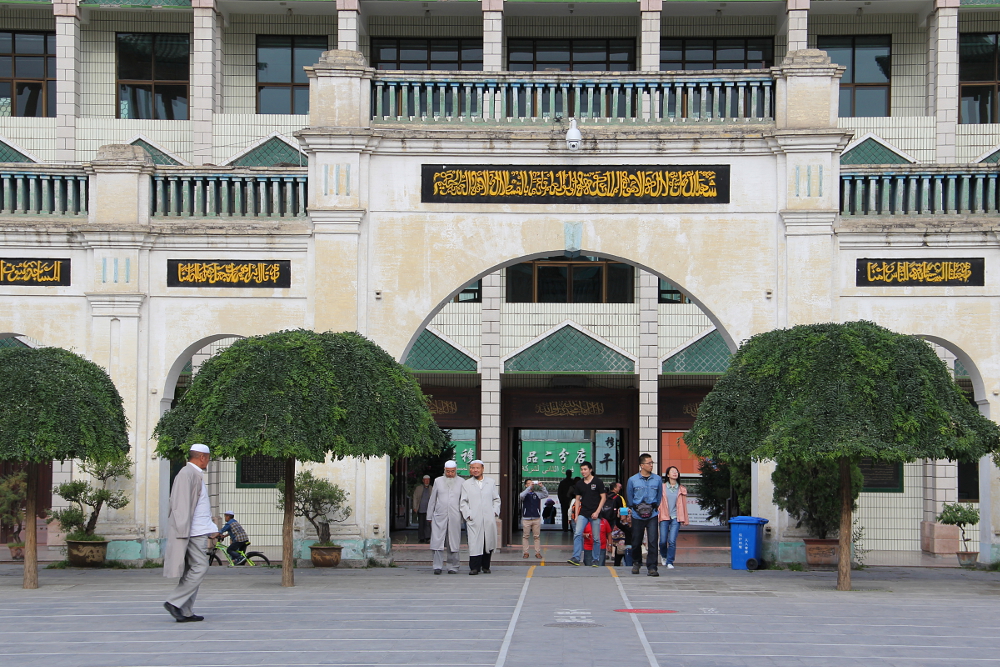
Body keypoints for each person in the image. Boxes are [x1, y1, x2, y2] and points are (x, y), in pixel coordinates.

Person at [163, 444, 221, 622]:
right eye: (208, 458)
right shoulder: (186, 474)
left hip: (198, 530)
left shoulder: (195, 474)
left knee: (191, 570)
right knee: (200, 567)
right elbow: (180, 505)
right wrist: (182, 531)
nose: (208, 462)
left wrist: (211, 529)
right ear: (202, 457)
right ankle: (174, 602)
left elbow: (200, 508)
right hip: (193, 532)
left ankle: (185, 610)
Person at [460, 459, 501, 575]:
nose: (475, 470)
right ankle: (474, 567)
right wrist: (468, 514)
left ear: (482, 469)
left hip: (488, 518)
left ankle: (486, 566)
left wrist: (494, 512)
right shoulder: (466, 484)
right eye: (473, 468)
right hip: (474, 518)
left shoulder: (491, 482)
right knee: (474, 543)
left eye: (477, 468)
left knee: (487, 541)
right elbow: (463, 502)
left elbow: (496, 499)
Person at [626, 453, 662, 577]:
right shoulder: (632, 480)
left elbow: (659, 497)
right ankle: (636, 562)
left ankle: (652, 567)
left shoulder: (657, 479)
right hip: (637, 514)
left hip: (652, 514)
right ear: (642, 465)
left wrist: (653, 507)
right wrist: (635, 509)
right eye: (649, 463)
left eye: (652, 463)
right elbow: (630, 497)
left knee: (652, 540)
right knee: (636, 540)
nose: (651, 465)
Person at [426, 461, 464, 575]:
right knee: (437, 541)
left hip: (455, 516)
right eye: (448, 471)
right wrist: (429, 515)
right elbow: (433, 499)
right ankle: (437, 566)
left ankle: (453, 566)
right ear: (444, 470)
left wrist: (464, 516)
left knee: (453, 541)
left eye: (452, 471)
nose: (450, 474)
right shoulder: (438, 481)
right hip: (439, 516)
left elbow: (463, 501)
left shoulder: (462, 482)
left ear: (455, 470)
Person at [567, 461, 605, 567]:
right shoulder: (579, 484)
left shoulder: (598, 482)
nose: (583, 471)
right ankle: (576, 557)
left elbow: (603, 498)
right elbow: (577, 499)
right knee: (577, 533)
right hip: (583, 513)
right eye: (581, 469)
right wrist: (576, 515)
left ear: (590, 470)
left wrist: (597, 512)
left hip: (595, 513)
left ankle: (595, 559)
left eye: (585, 469)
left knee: (596, 538)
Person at [658, 465, 689, 570]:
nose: (675, 473)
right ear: (668, 475)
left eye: (676, 471)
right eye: (672, 471)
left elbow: (684, 505)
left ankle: (670, 561)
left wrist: (685, 518)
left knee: (672, 541)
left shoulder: (681, 489)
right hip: (664, 515)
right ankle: (664, 555)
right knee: (663, 541)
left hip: (676, 517)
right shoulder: (662, 487)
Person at [519, 478, 549, 559]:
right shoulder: (524, 494)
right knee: (526, 536)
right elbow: (521, 496)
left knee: (536, 536)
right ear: (526, 485)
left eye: (531, 483)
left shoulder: (537, 494)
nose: (531, 484)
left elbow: (546, 494)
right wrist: (529, 488)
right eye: (528, 483)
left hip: (536, 518)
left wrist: (542, 486)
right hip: (526, 518)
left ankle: (537, 552)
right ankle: (526, 552)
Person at [413, 474, 432, 543]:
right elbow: (415, 497)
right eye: (425, 480)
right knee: (421, 524)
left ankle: (427, 537)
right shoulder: (418, 488)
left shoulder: (432, 488)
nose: (427, 481)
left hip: (429, 510)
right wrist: (415, 507)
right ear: (423, 481)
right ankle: (421, 538)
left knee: (428, 524)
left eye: (428, 480)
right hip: (421, 509)